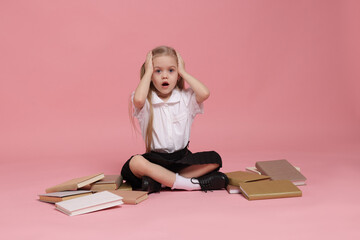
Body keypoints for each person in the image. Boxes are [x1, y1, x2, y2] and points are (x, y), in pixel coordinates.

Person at [121, 46, 228, 193]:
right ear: (151, 74)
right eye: (158, 71)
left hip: (181, 160)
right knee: (135, 163)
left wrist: (183, 71)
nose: (165, 76)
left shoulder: (186, 98)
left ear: (178, 75)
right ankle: (191, 184)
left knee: (215, 159)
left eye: (171, 70)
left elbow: (205, 93)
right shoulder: (145, 100)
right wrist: (147, 72)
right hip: (155, 160)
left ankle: (160, 181)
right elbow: (138, 100)